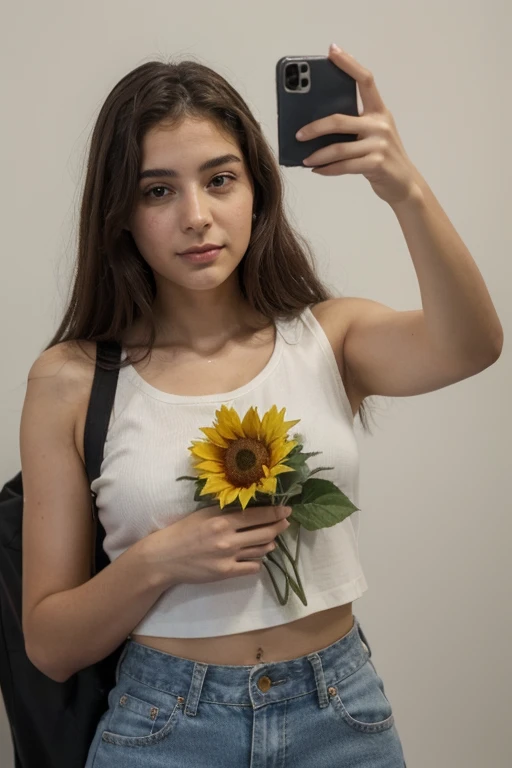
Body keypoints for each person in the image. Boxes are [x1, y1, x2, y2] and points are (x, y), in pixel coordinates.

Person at [19, 45, 502, 768]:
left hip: (340, 713)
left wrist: (405, 189)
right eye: (157, 191)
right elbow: (50, 646)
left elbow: (473, 346)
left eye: (220, 180)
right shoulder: (71, 379)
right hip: (164, 728)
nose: (196, 217)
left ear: (258, 190)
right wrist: (160, 560)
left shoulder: (328, 337)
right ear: (119, 212)